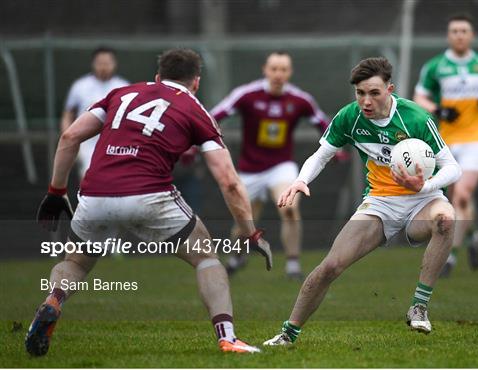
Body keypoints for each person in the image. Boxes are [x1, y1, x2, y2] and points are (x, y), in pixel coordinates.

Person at [26, 49, 272, 356]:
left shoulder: (121, 93)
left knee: (74, 262)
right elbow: (230, 181)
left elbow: (69, 137)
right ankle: (228, 337)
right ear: (196, 82)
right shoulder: (196, 109)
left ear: (158, 77)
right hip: (149, 196)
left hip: (95, 195)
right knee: (206, 257)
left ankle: (53, 301)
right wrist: (250, 233)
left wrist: (56, 191)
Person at [263, 57, 462, 346]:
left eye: (374, 93)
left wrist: (426, 185)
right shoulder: (349, 117)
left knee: (446, 218)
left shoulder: (417, 118)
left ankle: (419, 305)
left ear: (390, 89)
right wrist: (301, 180)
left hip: (423, 201)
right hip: (380, 204)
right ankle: (288, 334)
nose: (365, 101)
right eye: (360, 93)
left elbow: (453, 168)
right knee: (330, 267)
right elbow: (321, 155)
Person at [211, 51, 344, 279]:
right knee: (244, 220)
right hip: (249, 169)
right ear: (265, 70)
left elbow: (324, 123)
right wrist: (200, 141)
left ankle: (292, 265)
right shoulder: (246, 95)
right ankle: (238, 256)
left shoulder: (300, 99)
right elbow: (213, 116)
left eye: (283, 69)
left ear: (289, 73)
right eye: (274, 69)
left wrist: (337, 150)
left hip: (281, 166)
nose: (278, 74)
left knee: (290, 208)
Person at [413, 14, 478, 276]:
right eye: (454, 31)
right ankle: (474, 235)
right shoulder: (435, 66)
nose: (459, 35)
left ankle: (451, 256)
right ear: (448, 35)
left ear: (471, 35)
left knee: (462, 196)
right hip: (445, 141)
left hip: (476, 139)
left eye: (463, 31)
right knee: (458, 199)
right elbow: (419, 97)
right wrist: (438, 110)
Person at [60, 47, 129, 180]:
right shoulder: (80, 86)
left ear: (114, 64)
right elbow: (68, 114)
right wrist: (69, 141)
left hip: (114, 139)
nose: (103, 67)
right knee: (89, 176)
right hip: (87, 140)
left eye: (107, 63)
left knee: (114, 178)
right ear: (93, 63)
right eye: (100, 63)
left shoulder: (124, 86)